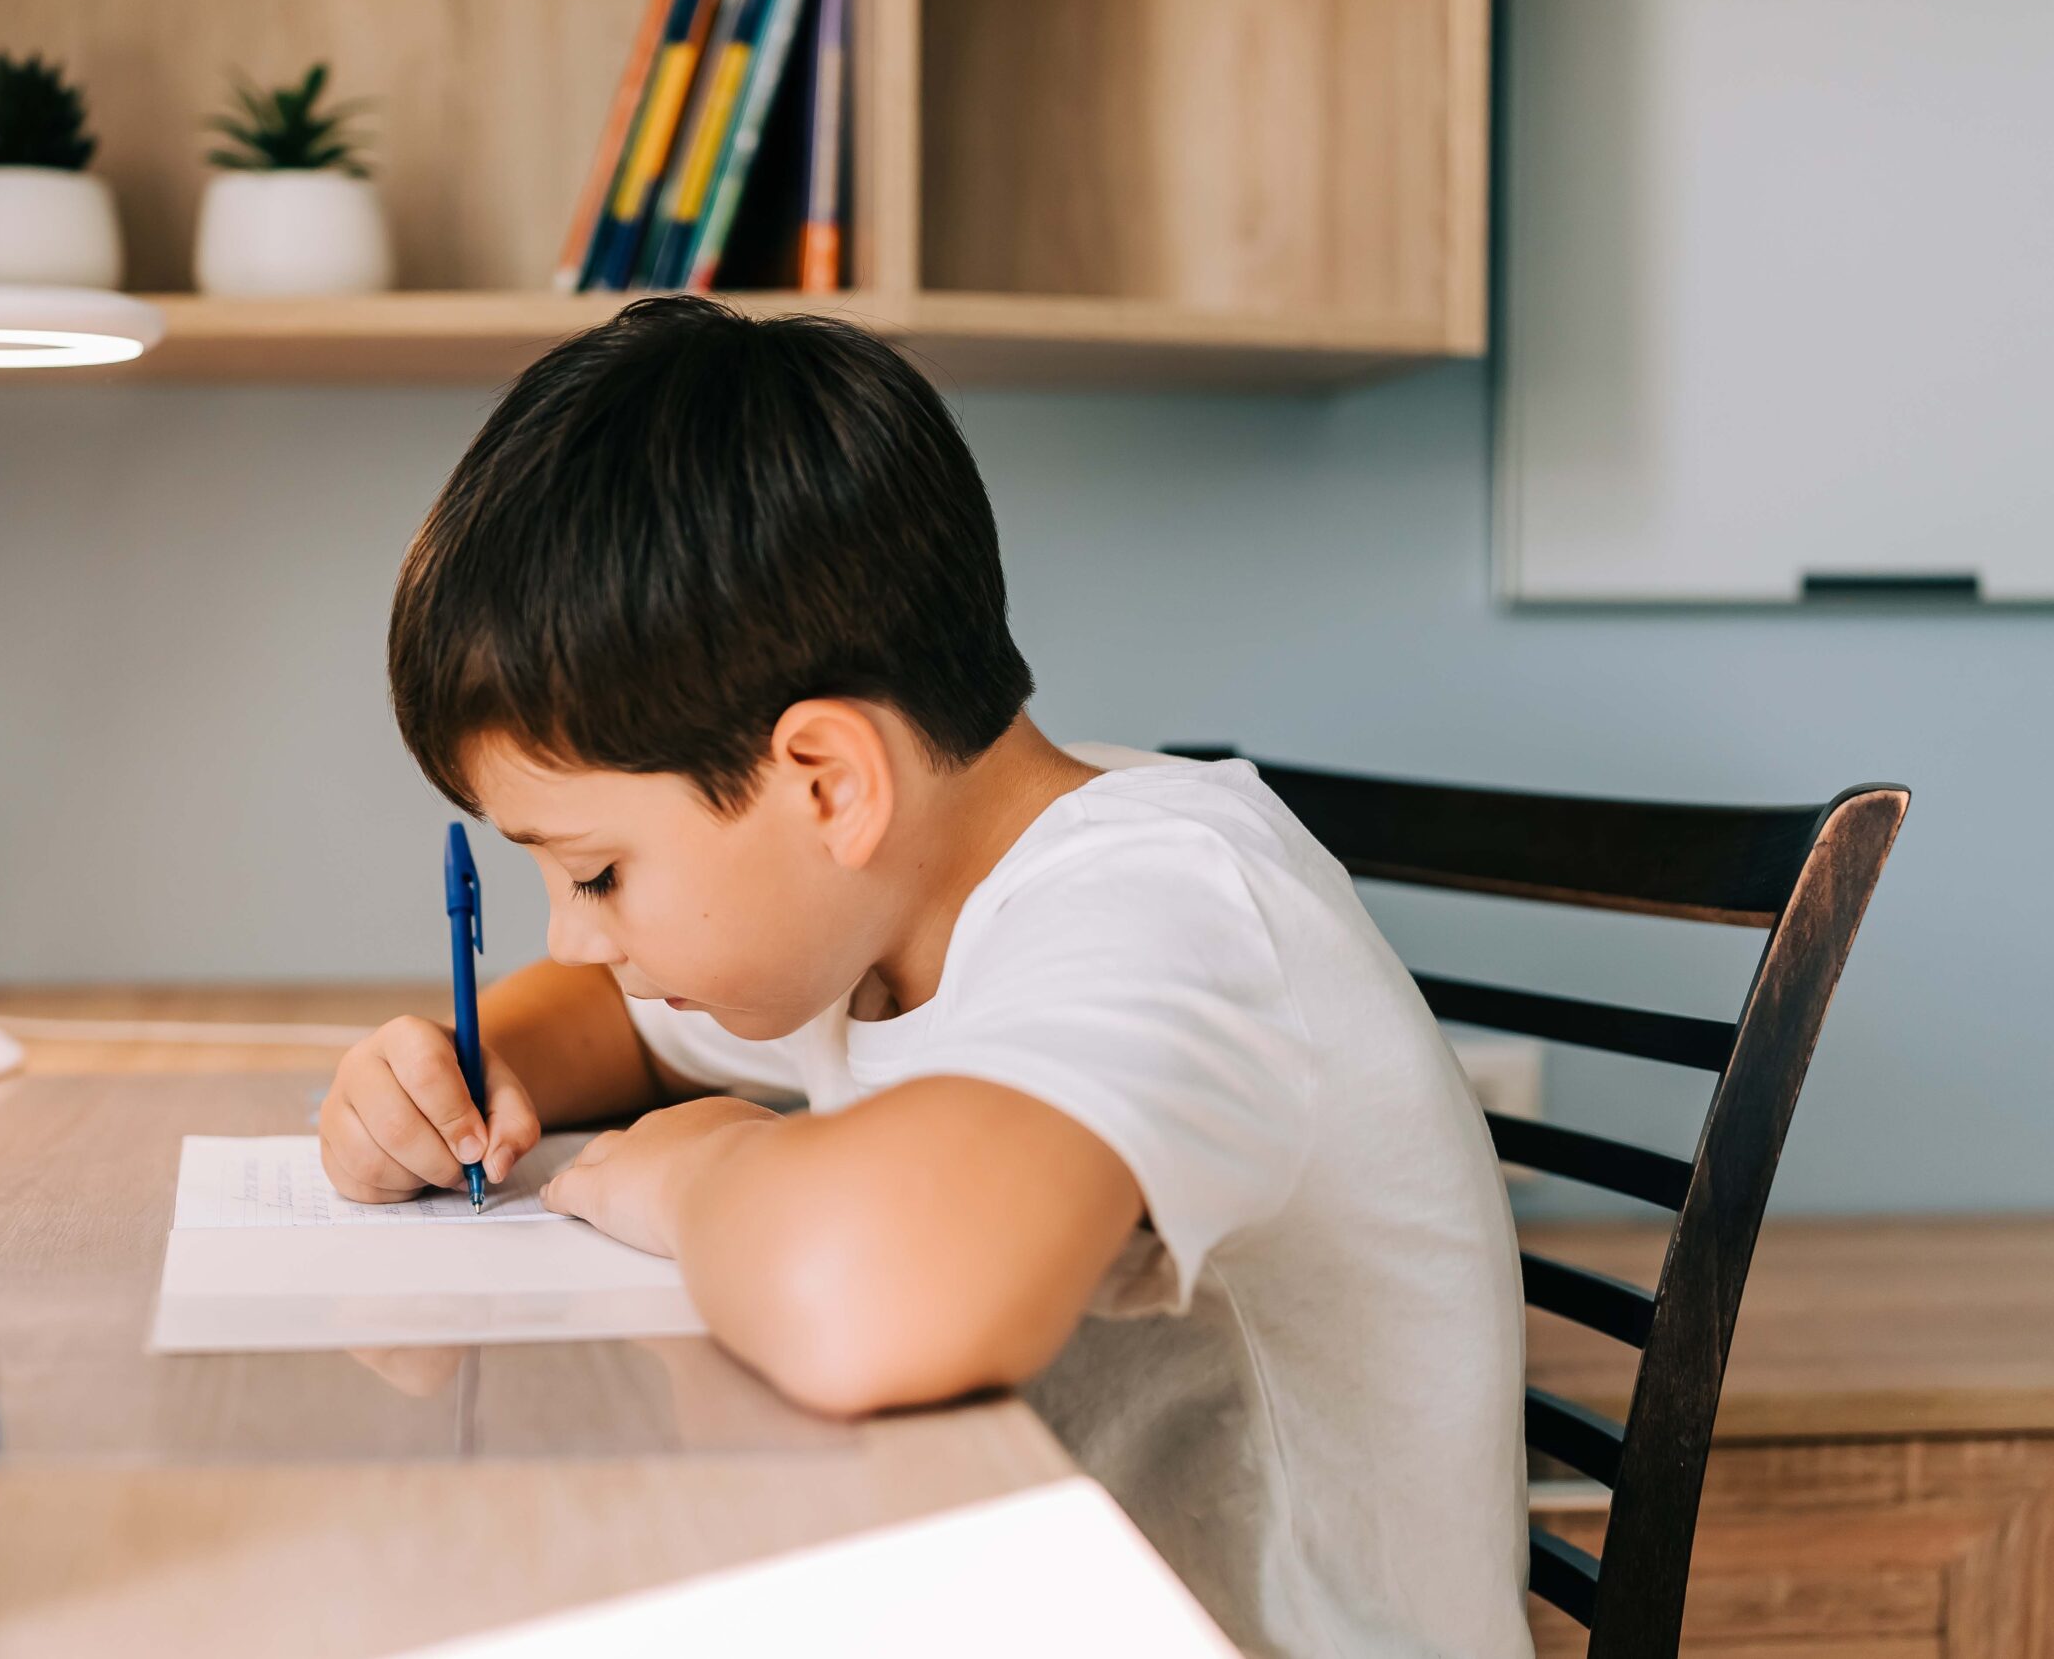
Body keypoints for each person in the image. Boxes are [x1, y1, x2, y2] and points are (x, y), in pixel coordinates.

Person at [321, 296, 1529, 1658]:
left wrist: (703, 1165)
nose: (573, 937)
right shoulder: (879, 907)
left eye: (598, 874)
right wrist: (474, 1073)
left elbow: (869, 1297)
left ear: (828, 780)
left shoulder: (1161, 905)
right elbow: (617, 1012)